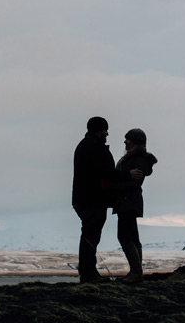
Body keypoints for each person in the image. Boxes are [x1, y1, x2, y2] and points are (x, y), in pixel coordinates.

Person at [72, 116, 142, 283]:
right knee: (90, 236)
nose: (107, 133)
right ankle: (89, 274)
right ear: (98, 130)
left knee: (90, 235)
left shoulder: (87, 145)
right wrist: (128, 174)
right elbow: (105, 172)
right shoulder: (94, 146)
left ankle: (88, 272)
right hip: (92, 200)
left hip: (86, 199)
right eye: (105, 129)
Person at [110, 128, 157, 284]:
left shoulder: (137, 159)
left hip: (127, 200)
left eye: (127, 139)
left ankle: (136, 273)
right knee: (132, 236)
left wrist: (113, 187)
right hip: (130, 200)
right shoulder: (137, 158)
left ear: (135, 141)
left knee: (124, 235)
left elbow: (133, 182)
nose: (125, 141)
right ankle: (136, 272)